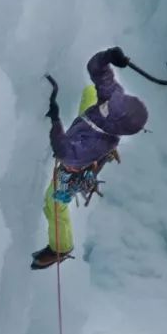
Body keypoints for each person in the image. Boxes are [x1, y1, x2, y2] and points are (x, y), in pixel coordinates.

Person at [31, 47, 149, 269]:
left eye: (109, 106)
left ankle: (61, 247)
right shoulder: (112, 101)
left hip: (78, 160)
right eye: (111, 101)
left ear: (116, 123)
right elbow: (96, 69)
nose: (107, 101)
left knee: (53, 204)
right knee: (91, 92)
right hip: (88, 124)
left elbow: (63, 152)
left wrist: (55, 120)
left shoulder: (96, 144)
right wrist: (109, 57)